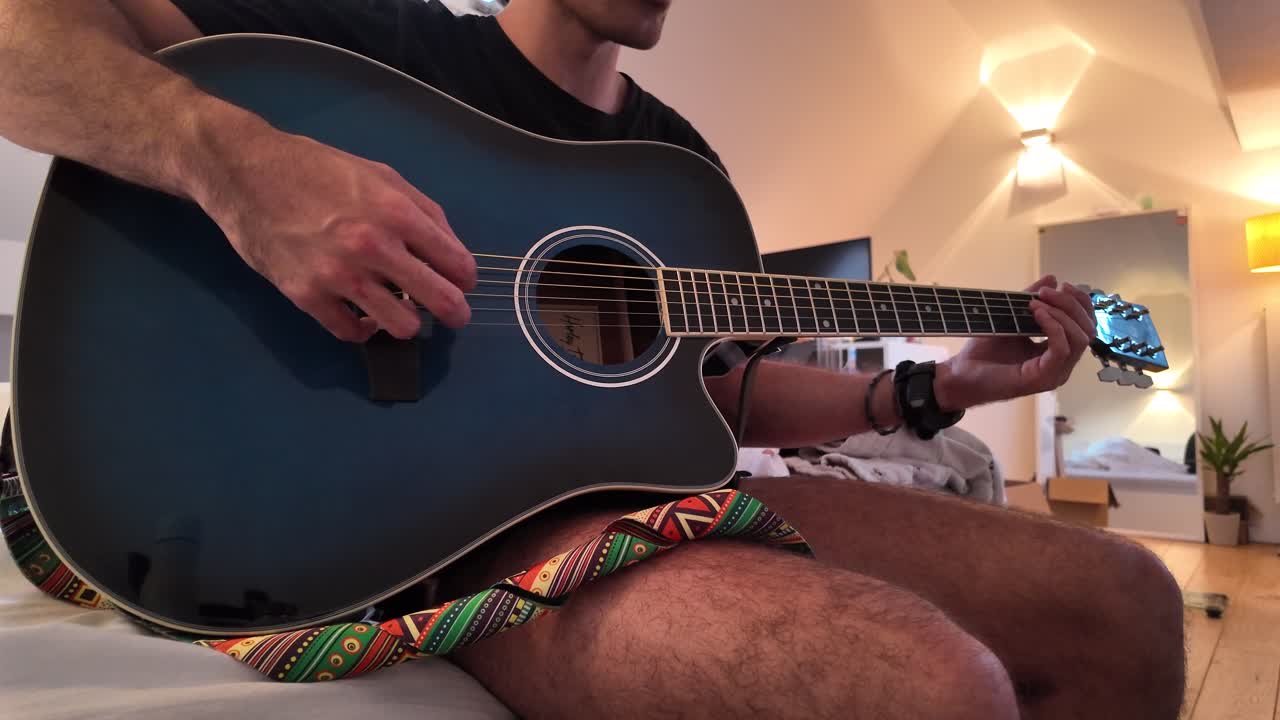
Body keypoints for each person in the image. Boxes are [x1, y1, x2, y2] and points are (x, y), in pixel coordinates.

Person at [0, 1, 1184, 718]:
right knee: (928, 689)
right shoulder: (369, 46)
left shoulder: (675, 164)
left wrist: (926, 390)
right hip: (424, 513)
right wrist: (235, 161)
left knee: (1127, 601)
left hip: (623, 491)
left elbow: (708, 387)